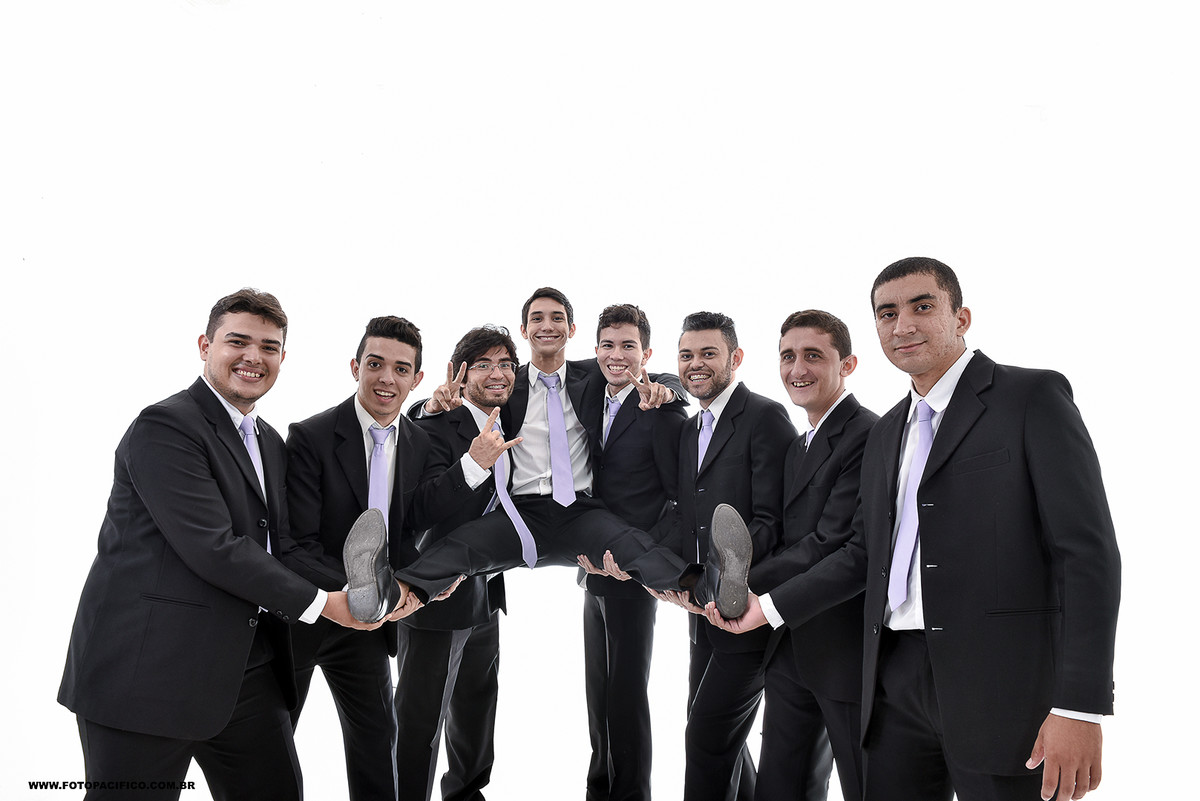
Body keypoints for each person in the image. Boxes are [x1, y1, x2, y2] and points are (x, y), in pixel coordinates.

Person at [709, 258, 1121, 801]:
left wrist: (1080, 706)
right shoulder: (887, 432)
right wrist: (768, 607)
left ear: (961, 317)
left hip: (1001, 687)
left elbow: (1086, 553)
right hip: (891, 682)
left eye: (921, 306)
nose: (902, 325)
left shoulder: (1030, 397)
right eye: (887, 314)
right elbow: (861, 554)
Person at [58, 289, 373, 801]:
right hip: (146, 675)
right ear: (205, 346)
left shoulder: (269, 441)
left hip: (245, 673)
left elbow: (284, 546)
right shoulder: (165, 427)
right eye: (237, 341)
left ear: (283, 358)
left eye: (269, 347)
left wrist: (370, 590)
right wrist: (323, 605)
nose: (254, 357)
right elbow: (213, 547)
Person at [283, 316, 478, 800]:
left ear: (416, 378)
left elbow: (415, 524)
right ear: (355, 367)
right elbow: (296, 543)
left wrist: (420, 585)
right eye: (375, 364)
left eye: (400, 369)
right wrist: (353, 594)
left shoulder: (420, 442)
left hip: (368, 627)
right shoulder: (310, 436)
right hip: (304, 615)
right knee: (272, 749)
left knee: (377, 745)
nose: (386, 378)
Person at [667, 311, 797, 801]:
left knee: (706, 738)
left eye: (708, 353)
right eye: (686, 355)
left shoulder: (764, 417)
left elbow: (773, 520)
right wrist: (685, 582)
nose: (695, 364)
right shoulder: (688, 429)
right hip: (703, 609)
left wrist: (727, 579)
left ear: (735, 358)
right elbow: (689, 519)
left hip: (748, 608)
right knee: (716, 734)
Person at [750, 310, 878, 801]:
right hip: (791, 644)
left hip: (843, 649)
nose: (797, 369)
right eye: (788, 356)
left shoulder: (867, 434)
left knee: (863, 786)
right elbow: (786, 537)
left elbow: (830, 541)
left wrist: (741, 586)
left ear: (847, 365)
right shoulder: (798, 444)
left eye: (812, 356)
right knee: (779, 786)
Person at [395, 325, 519, 801]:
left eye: (505, 364)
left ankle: (466, 795)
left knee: (476, 711)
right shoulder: (434, 425)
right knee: (420, 721)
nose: (497, 373)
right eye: (483, 364)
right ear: (459, 375)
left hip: (486, 592)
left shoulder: (511, 417)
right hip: (436, 594)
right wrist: (473, 462)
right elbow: (420, 509)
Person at [576, 304, 688, 801]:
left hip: (632, 571)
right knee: (598, 693)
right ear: (595, 349)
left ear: (647, 353)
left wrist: (643, 556)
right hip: (592, 569)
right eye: (608, 345)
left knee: (625, 695)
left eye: (628, 346)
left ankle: (631, 794)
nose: (616, 355)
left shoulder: (660, 408)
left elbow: (679, 498)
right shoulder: (588, 393)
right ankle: (599, 789)